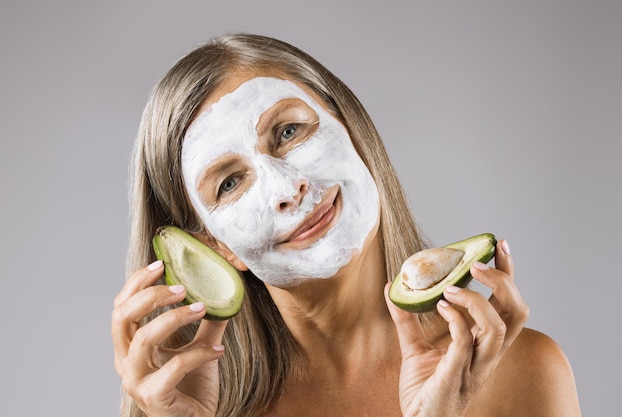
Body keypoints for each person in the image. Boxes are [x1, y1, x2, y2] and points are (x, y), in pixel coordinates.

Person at [112, 33, 581, 417]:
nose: (285, 189)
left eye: (288, 132)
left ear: (351, 128)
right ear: (216, 247)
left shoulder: (521, 374)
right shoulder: (196, 407)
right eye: (230, 182)